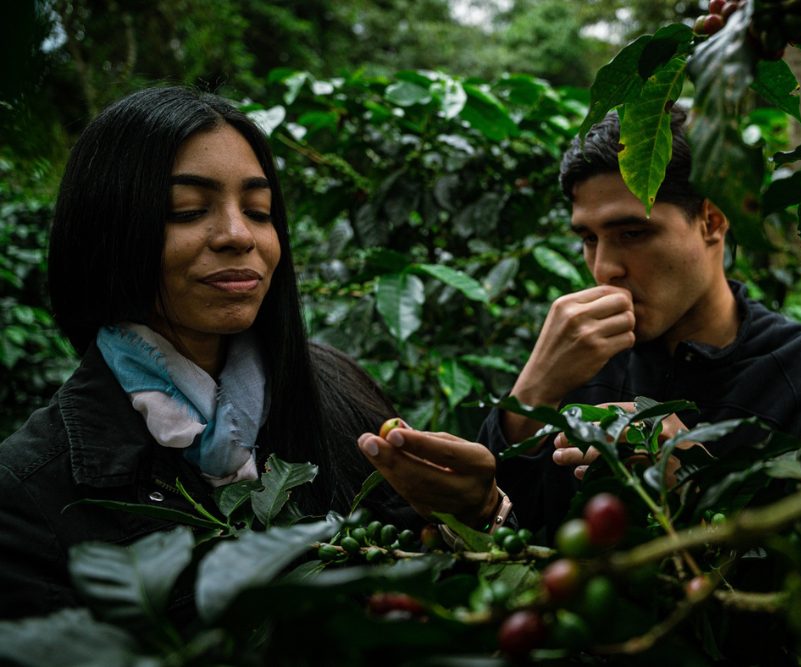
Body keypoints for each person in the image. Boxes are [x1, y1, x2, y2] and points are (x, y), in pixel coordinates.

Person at [0, 87, 500, 620]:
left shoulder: (337, 385)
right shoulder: (27, 492)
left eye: (258, 211)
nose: (240, 236)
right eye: (187, 210)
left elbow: (441, 603)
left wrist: (479, 515)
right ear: (105, 232)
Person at [479, 109, 801, 537]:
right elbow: (508, 534)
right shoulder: (579, 363)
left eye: (632, 233)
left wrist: (693, 484)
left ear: (712, 221)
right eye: (589, 239)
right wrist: (532, 391)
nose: (604, 268)